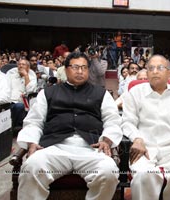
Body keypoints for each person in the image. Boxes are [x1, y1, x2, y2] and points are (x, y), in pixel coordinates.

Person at [16, 51, 123, 200]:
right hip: (54, 146)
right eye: (75, 67)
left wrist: (106, 139)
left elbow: (113, 120)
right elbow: (34, 121)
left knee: (108, 171)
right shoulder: (47, 93)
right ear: (66, 69)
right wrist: (32, 141)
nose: (80, 71)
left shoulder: (101, 94)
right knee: (31, 167)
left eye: (84, 68)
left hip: (90, 148)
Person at [122, 55, 170, 200]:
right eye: (151, 68)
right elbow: (127, 121)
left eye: (160, 68)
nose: (155, 71)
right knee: (144, 175)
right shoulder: (135, 92)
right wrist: (136, 138)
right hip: (144, 149)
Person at [6, 58, 37, 131]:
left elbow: (30, 91)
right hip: (9, 100)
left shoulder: (31, 75)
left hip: (22, 102)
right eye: (19, 64)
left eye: (23, 64)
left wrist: (26, 76)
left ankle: (10, 128)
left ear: (28, 67)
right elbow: (6, 87)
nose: (21, 66)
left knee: (19, 106)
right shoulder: (11, 73)